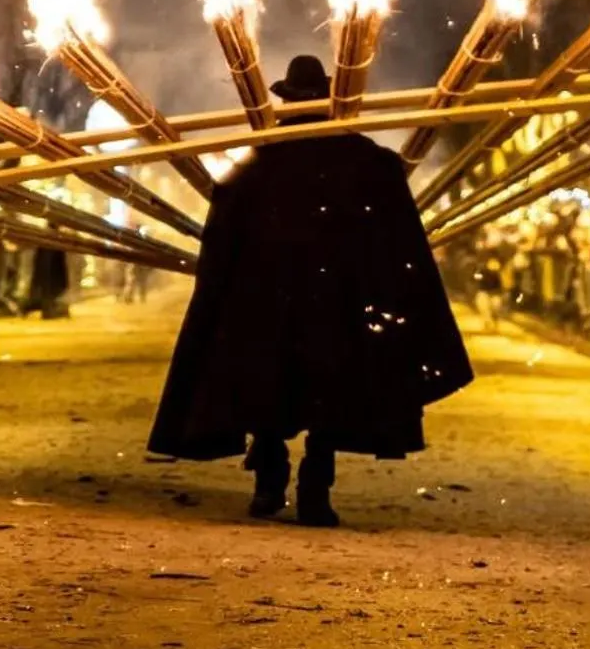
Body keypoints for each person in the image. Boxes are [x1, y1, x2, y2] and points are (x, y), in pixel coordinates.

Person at [148, 55, 473, 528]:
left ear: (285, 103)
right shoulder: (371, 164)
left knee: (268, 387)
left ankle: (270, 479)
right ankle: (315, 488)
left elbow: (220, 250)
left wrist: (222, 310)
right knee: (330, 396)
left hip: (267, 306)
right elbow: (398, 245)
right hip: (338, 308)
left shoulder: (252, 166)